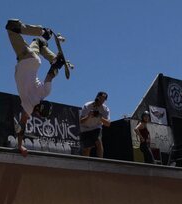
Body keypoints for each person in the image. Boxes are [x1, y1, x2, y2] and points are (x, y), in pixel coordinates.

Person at [6, 19, 65, 156]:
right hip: (24, 58)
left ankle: (51, 51)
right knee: (11, 27)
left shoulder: (45, 92)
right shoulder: (28, 106)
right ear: (38, 111)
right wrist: (20, 146)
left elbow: (50, 75)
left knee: (38, 42)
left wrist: (57, 67)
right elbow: (22, 126)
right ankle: (42, 32)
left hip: (34, 60)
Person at [79, 92, 111, 158]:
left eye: (103, 100)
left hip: (96, 127)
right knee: (87, 149)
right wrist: (88, 115)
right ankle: (86, 164)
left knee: (98, 141)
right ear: (97, 97)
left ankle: (100, 161)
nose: (101, 101)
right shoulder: (87, 105)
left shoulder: (105, 109)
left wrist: (100, 117)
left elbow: (108, 124)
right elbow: (81, 121)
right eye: (100, 99)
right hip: (85, 128)